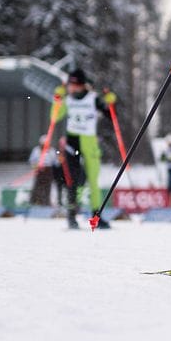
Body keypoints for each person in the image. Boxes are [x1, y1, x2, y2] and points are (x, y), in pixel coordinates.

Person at [52, 68, 117, 230]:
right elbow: (54, 117)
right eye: (69, 85)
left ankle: (96, 216)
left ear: (81, 85)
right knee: (72, 180)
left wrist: (110, 102)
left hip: (89, 144)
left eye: (73, 85)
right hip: (71, 144)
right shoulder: (67, 100)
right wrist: (57, 98)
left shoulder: (93, 98)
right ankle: (71, 216)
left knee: (93, 182)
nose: (70, 88)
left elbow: (110, 116)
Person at [28, 134, 65, 207]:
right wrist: (35, 166)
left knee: (47, 187)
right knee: (37, 186)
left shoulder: (52, 150)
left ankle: (46, 202)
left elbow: (56, 162)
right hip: (39, 170)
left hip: (48, 171)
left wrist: (60, 160)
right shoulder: (36, 150)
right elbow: (32, 160)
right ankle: (34, 201)